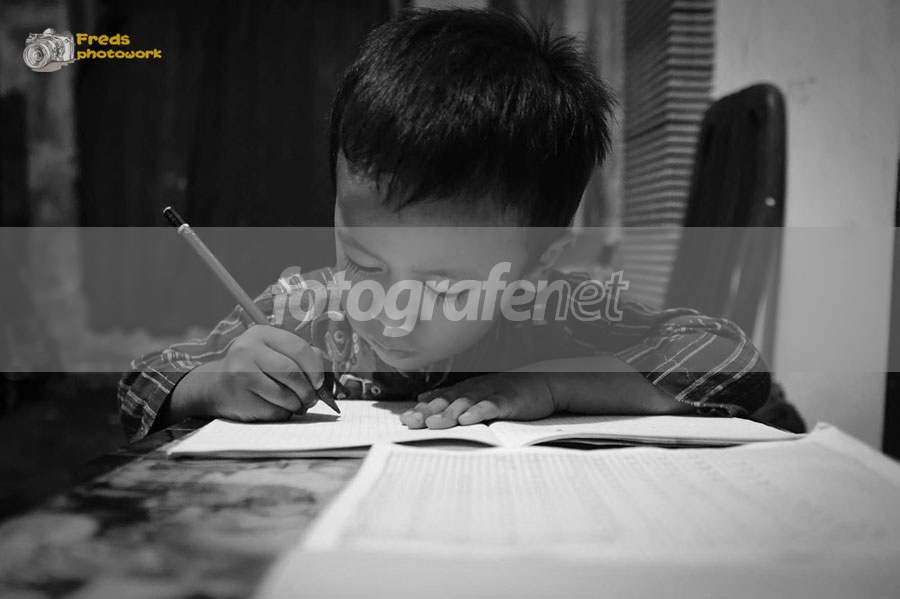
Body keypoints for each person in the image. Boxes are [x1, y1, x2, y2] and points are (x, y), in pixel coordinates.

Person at [119, 8, 802, 443]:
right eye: (362, 262)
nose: (388, 307)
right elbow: (143, 380)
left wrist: (552, 385)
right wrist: (215, 382)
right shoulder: (308, 311)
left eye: (444, 287)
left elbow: (734, 363)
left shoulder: (551, 313)